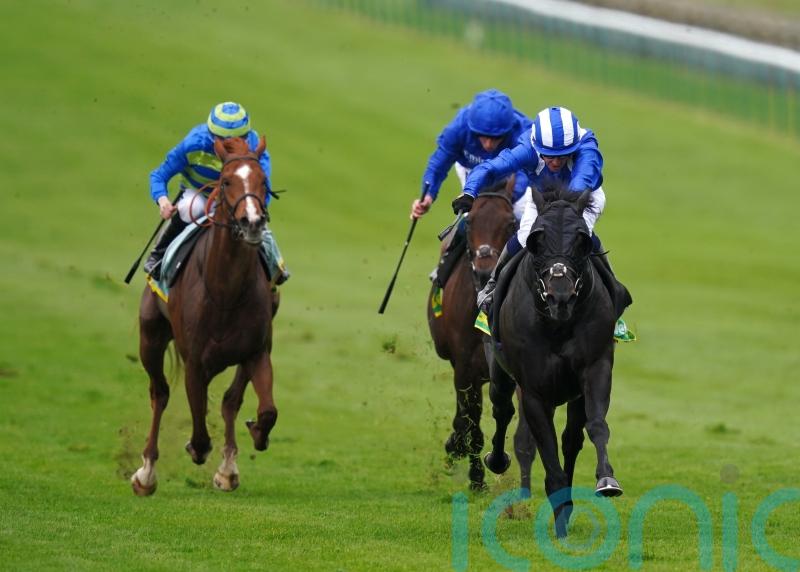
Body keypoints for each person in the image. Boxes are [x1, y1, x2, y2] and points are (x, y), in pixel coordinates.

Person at [453, 106, 629, 337]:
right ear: (537, 146)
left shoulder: (587, 147)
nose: (555, 162)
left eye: (562, 155)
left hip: (582, 197)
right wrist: (470, 192)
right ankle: (492, 288)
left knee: (577, 235)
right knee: (525, 236)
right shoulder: (528, 147)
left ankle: (613, 295)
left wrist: (562, 218)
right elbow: (490, 167)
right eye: (549, 155)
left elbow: (583, 179)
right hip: (542, 196)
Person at [144, 102, 289, 284]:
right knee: (190, 207)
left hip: (236, 203)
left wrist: (253, 209)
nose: (231, 146)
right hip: (199, 195)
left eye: (239, 139)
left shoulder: (255, 148)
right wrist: (163, 201)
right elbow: (159, 175)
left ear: (247, 136)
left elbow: (262, 189)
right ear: (211, 135)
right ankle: (158, 255)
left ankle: (275, 264)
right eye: (223, 141)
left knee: (258, 222)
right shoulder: (194, 143)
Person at [412, 89, 532, 287]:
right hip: (471, 173)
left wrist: (507, 196)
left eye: (496, 138)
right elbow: (438, 164)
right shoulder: (458, 128)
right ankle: (445, 266)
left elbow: (528, 171)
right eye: (482, 137)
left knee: (523, 219)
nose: (488, 144)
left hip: (512, 179)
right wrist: (428, 195)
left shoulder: (524, 130)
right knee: (472, 217)